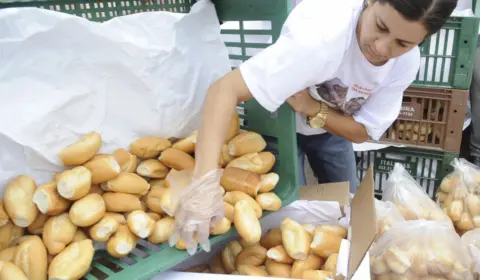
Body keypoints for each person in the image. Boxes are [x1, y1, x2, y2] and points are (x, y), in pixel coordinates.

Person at [168, 0, 458, 254]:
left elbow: (365, 131)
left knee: (353, 210)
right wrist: (203, 183)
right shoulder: (321, 36)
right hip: (277, 123)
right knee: (279, 215)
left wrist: (312, 109)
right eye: (380, 26)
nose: (381, 48)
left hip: (333, 133)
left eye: (402, 43)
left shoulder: (405, 64)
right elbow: (224, 90)